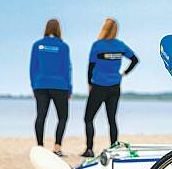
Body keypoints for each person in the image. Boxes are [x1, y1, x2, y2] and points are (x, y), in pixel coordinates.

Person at [81, 18, 139, 157]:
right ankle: (114, 148)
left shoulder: (97, 45)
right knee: (111, 119)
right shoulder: (120, 45)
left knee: (88, 118)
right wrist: (124, 73)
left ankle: (89, 149)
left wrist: (89, 83)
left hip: (98, 86)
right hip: (115, 86)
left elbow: (90, 67)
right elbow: (135, 60)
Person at [30, 19, 72, 156]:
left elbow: (33, 68)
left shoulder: (37, 45)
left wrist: (33, 85)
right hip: (60, 86)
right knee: (63, 117)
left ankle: (40, 147)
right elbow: (67, 69)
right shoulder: (63, 46)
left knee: (41, 116)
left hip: (40, 85)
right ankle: (57, 147)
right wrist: (69, 88)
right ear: (59, 29)